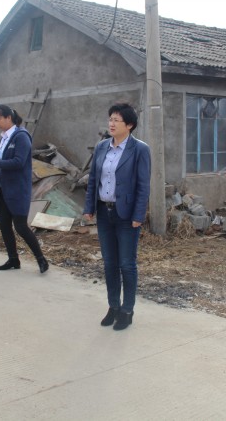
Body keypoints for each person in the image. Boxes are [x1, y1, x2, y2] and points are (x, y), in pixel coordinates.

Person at [82, 103, 151, 331]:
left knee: (127, 264)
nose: (111, 123)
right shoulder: (102, 147)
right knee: (109, 263)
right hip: (104, 212)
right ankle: (113, 306)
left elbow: (143, 185)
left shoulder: (140, 149)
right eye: (110, 119)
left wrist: (139, 214)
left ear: (129, 125)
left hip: (127, 216)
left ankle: (127, 310)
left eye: (116, 120)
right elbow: (93, 180)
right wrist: (89, 207)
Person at [0, 104, 49, 274]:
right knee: (4, 225)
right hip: (4, 189)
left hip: (18, 190)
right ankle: (13, 259)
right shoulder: (4, 138)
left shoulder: (21, 137)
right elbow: (2, 162)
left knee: (20, 226)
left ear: (8, 117)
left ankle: (41, 259)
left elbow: (19, 162)